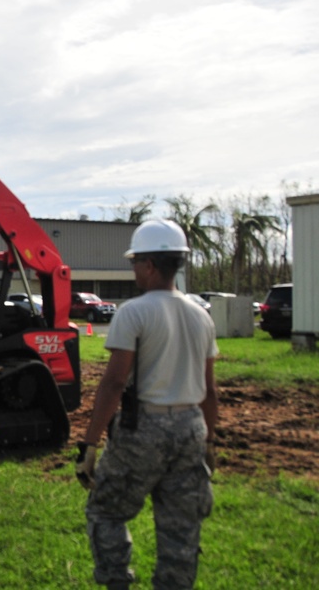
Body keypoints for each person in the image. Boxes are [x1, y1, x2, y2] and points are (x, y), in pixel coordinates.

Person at [75, 219, 219, 589]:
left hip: (144, 430)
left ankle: (116, 580)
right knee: (181, 526)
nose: (133, 269)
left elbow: (115, 382)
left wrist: (90, 444)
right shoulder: (201, 316)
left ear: (150, 265)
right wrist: (210, 442)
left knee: (105, 511)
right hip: (190, 429)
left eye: (135, 261)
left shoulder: (134, 312)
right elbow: (209, 389)